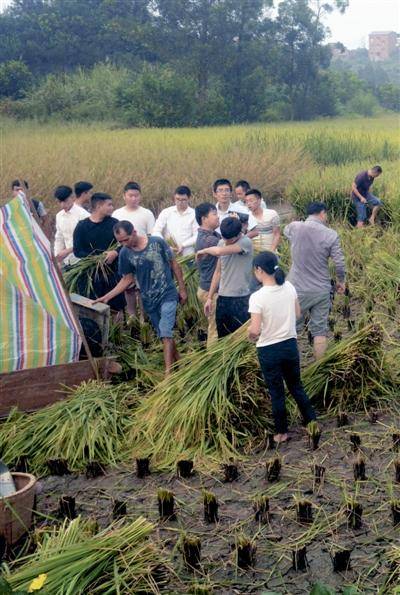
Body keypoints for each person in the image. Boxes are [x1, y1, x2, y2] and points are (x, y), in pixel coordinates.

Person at [93, 221, 187, 376]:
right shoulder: (124, 253)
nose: (124, 243)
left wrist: (182, 289)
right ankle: (180, 362)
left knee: (165, 331)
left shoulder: (157, 242)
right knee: (165, 334)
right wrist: (107, 296)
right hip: (149, 300)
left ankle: (168, 374)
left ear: (134, 232)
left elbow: (174, 265)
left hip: (168, 294)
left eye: (126, 239)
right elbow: (127, 279)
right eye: (120, 241)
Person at [248, 251, 317, 444]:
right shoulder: (289, 287)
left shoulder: (257, 297)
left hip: (269, 350)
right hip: (289, 345)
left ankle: (281, 433)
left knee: (276, 391)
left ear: (259, 270)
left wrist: (250, 334)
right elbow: (297, 314)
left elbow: (254, 330)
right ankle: (311, 421)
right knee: (296, 386)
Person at [284, 202, 346, 360]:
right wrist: (341, 281)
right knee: (320, 330)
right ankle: (319, 368)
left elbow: (285, 231)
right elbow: (339, 263)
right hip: (321, 289)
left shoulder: (295, 227)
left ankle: (295, 370)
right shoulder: (331, 234)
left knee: (293, 330)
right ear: (322, 213)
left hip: (297, 289)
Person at [198, 217, 253, 338]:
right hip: (223, 299)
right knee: (223, 338)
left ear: (238, 234)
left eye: (230, 240)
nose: (226, 242)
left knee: (241, 340)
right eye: (224, 238)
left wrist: (204, 250)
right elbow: (218, 272)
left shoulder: (245, 242)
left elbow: (218, 252)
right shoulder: (221, 243)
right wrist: (210, 298)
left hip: (241, 299)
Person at [73, 193, 125, 312]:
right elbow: (77, 251)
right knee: (93, 306)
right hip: (91, 275)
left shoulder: (114, 224)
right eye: (109, 205)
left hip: (112, 271)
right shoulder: (82, 226)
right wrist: (98, 258)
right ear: (98, 206)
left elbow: (125, 244)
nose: (112, 208)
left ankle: (117, 329)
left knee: (116, 306)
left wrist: (115, 252)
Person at [194, 202, 221, 347]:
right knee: (214, 329)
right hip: (210, 291)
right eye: (215, 214)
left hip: (210, 288)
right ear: (204, 218)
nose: (218, 217)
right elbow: (228, 246)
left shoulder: (212, 235)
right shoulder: (208, 240)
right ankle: (213, 359)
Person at [152, 185, 198, 256]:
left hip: (187, 255)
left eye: (183, 200)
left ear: (189, 198)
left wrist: (183, 245)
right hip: (168, 253)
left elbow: (197, 235)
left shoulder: (194, 214)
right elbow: (156, 231)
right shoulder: (166, 212)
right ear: (174, 198)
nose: (180, 202)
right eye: (177, 199)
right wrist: (165, 245)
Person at [54, 185, 89, 267]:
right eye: (60, 202)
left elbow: (87, 239)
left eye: (65, 201)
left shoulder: (83, 215)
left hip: (83, 260)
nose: (63, 205)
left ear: (72, 197)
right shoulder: (59, 216)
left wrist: (68, 251)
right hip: (68, 261)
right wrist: (57, 258)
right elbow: (59, 238)